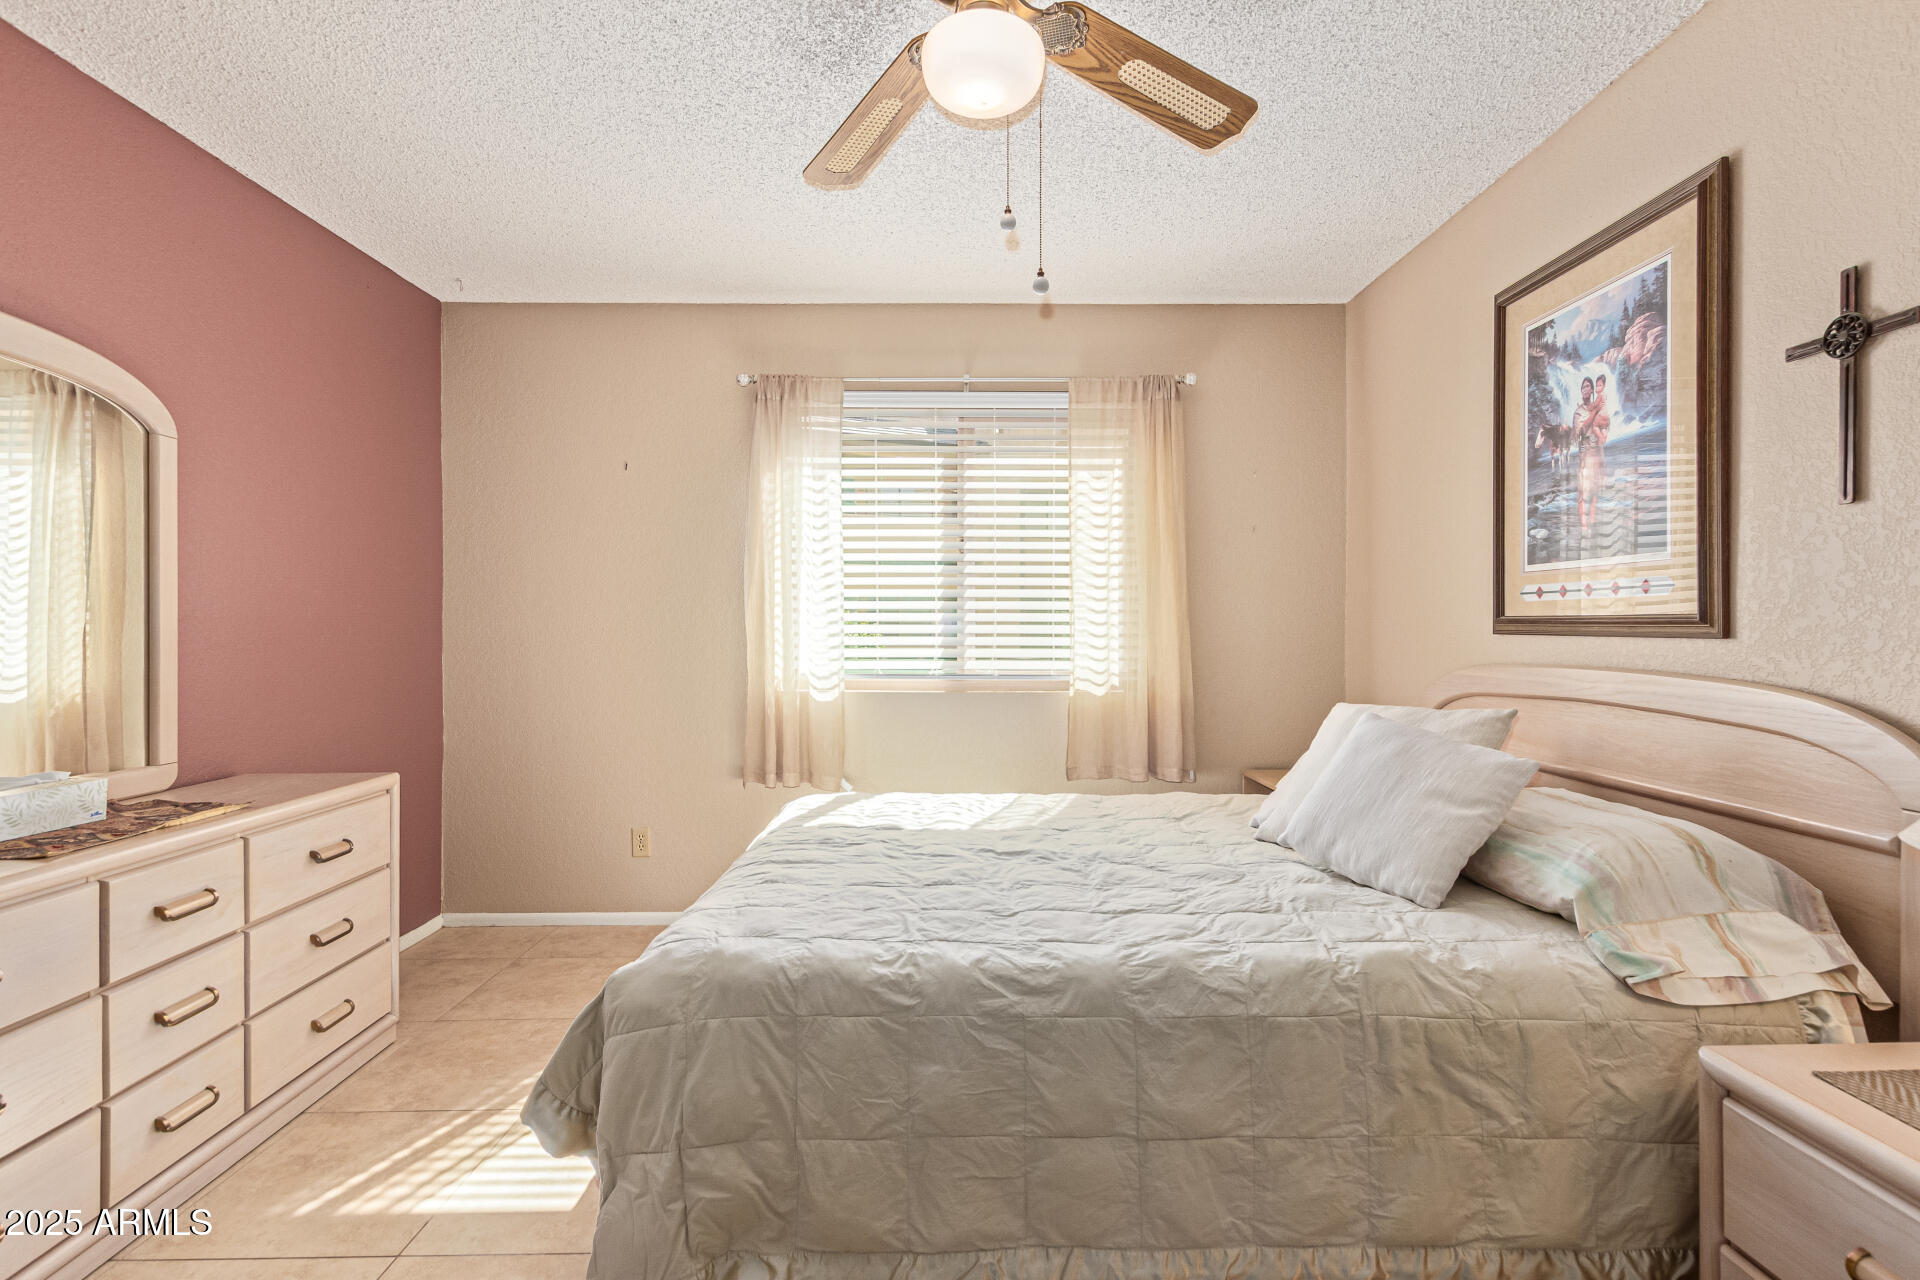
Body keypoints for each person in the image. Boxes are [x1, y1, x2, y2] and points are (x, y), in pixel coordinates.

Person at [1575, 372, 1612, 534]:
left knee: (1595, 489)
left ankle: (1593, 522)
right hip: (1584, 454)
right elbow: (1581, 431)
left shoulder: (1598, 405)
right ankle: (1584, 527)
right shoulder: (1578, 411)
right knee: (1583, 491)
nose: (1585, 389)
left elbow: (1604, 425)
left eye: (1588, 386)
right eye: (1583, 387)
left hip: (1596, 452)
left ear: (1592, 390)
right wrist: (1594, 412)